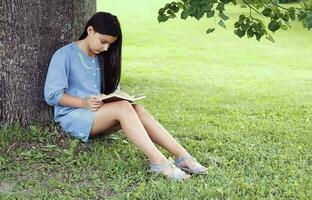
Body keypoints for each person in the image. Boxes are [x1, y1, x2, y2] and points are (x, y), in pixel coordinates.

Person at [44, 12, 207, 181]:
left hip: (100, 114)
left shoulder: (102, 57)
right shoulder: (64, 55)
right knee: (123, 108)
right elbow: (52, 95)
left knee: (137, 109)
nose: (106, 48)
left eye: (109, 45)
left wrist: (114, 97)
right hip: (73, 115)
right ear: (90, 30)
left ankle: (183, 157)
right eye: (103, 42)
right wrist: (84, 103)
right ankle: (158, 162)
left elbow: (112, 90)